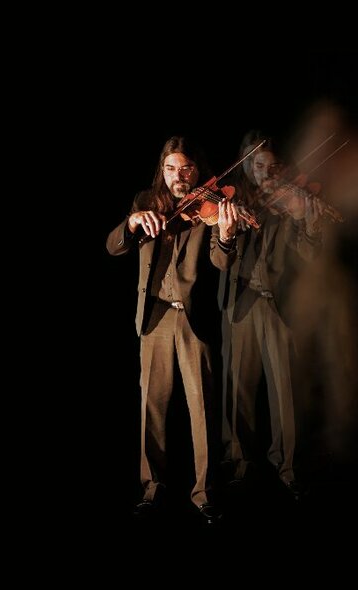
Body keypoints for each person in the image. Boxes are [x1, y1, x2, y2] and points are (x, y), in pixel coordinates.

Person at [106, 136, 240, 523]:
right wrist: (131, 223)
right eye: (170, 169)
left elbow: (221, 261)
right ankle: (151, 488)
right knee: (152, 407)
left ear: (198, 170)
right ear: (161, 170)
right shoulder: (145, 201)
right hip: (154, 318)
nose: (178, 177)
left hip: (192, 318)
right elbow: (114, 247)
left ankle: (205, 492)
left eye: (186, 169)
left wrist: (228, 237)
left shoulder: (212, 205)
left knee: (203, 409)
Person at [216, 130, 324, 499]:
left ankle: (286, 466)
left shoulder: (287, 200)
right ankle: (239, 461)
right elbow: (219, 258)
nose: (264, 172)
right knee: (237, 389)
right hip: (238, 302)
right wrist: (226, 232)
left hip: (276, 302)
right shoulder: (231, 199)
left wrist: (307, 219)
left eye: (270, 166)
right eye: (257, 165)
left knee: (284, 390)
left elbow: (308, 253)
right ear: (246, 166)